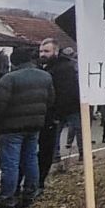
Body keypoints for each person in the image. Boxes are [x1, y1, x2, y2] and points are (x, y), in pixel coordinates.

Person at [0, 46, 53, 208]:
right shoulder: (45, 76)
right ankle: (30, 193)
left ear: (14, 61)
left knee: (11, 164)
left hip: (11, 128)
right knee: (31, 159)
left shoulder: (9, 79)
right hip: (35, 125)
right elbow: (51, 100)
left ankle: (7, 199)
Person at [37, 38, 80, 186]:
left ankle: (83, 155)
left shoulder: (64, 67)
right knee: (53, 136)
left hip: (67, 106)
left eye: (46, 51)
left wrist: (57, 108)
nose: (43, 54)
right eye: (41, 51)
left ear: (55, 51)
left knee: (79, 130)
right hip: (55, 108)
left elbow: (68, 90)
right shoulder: (44, 68)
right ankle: (56, 160)